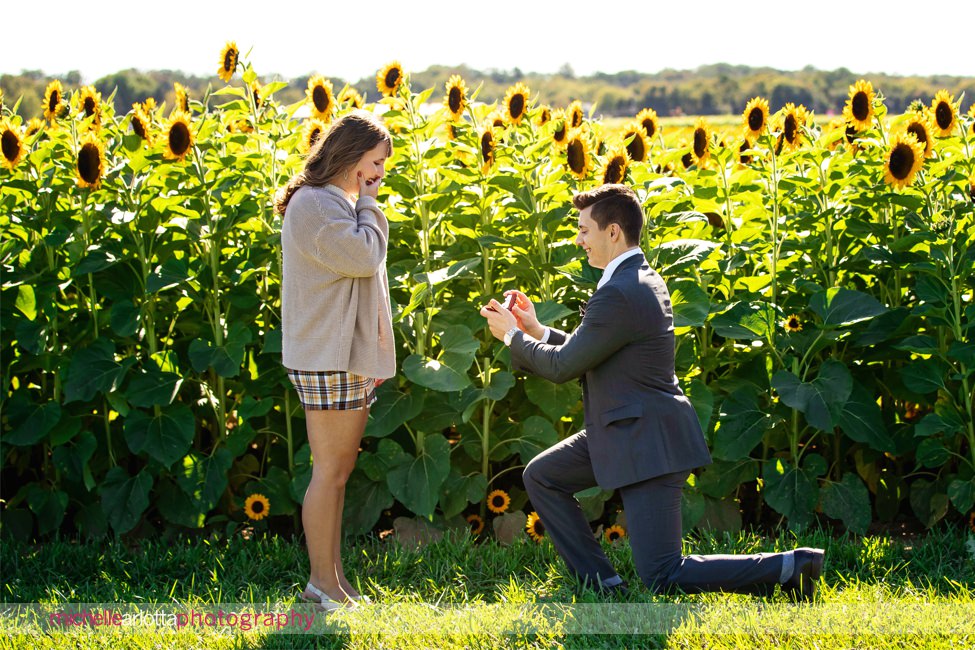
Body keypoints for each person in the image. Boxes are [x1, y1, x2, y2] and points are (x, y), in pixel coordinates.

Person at [479, 184, 824, 600]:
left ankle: (791, 567)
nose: (578, 239)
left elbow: (564, 366)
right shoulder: (633, 279)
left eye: (585, 230)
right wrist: (537, 330)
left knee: (663, 573)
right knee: (543, 475)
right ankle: (600, 582)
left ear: (612, 232)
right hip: (622, 430)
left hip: (647, 443)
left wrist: (513, 337)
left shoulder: (621, 291)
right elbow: (594, 349)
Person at [275, 110, 395, 610]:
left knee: (338, 472)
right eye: (375, 162)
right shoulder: (316, 205)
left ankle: (334, 582)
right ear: (349, 155)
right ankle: (321, 584)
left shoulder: (330, 201)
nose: (380, 174)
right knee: (329, 471)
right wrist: (370, 205)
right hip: (328, 356)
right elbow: (365, 257)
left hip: (341, 355)